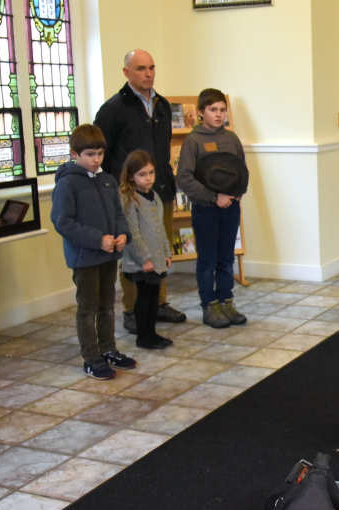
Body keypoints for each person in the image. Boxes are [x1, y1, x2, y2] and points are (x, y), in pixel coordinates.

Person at [94, 49, 187, 333]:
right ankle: (133, 310)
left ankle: (157, 304)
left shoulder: (162, 105)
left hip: (159, 190)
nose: (148, 74)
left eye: (151, 68)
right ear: (126, 73)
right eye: (141, 69)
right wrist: (114, 193)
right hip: (129, 195)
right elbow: (103, 154)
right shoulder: (113, 109)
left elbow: (163, 149)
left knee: (159, 246)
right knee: (135, 253)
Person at [50, 124, 136, 381]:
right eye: (90, 154)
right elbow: (63, 222)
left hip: (109, 256)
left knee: (107, 306)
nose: (96, 159)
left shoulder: (108, 180)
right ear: (74, 153)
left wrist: (122, 235)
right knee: (87, 309)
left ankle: (108, 349)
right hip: (85, 258)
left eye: (99, 153)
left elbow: (119, 215)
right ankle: (91, 358)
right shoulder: (67, 184)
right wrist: (97, 240)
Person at [177, 88, 249, 329]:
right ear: (200, 112)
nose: (218, 115)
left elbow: (241, 171)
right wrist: (213, 196)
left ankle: (226, 301)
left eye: (222, 110)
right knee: (208, 261)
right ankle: (210, 306)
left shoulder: (231, 138)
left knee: (226, 259)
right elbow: (185, 178)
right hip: (205, 209)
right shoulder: (193, 141)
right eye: (213, 110)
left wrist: (236, 196)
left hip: (230, 208)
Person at [119, 150, 176, 350]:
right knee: (143, 297)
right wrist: (144, 258)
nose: (148, 178)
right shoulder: (129, 199)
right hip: (140, 260)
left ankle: (151, 333)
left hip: (157, 257)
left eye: (151, 173)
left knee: (153, 298)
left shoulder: (155, 197)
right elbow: (132, 232)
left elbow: (160, 228)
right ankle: (143, 336)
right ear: (131, 176)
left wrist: (166, 252)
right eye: (142, 174)